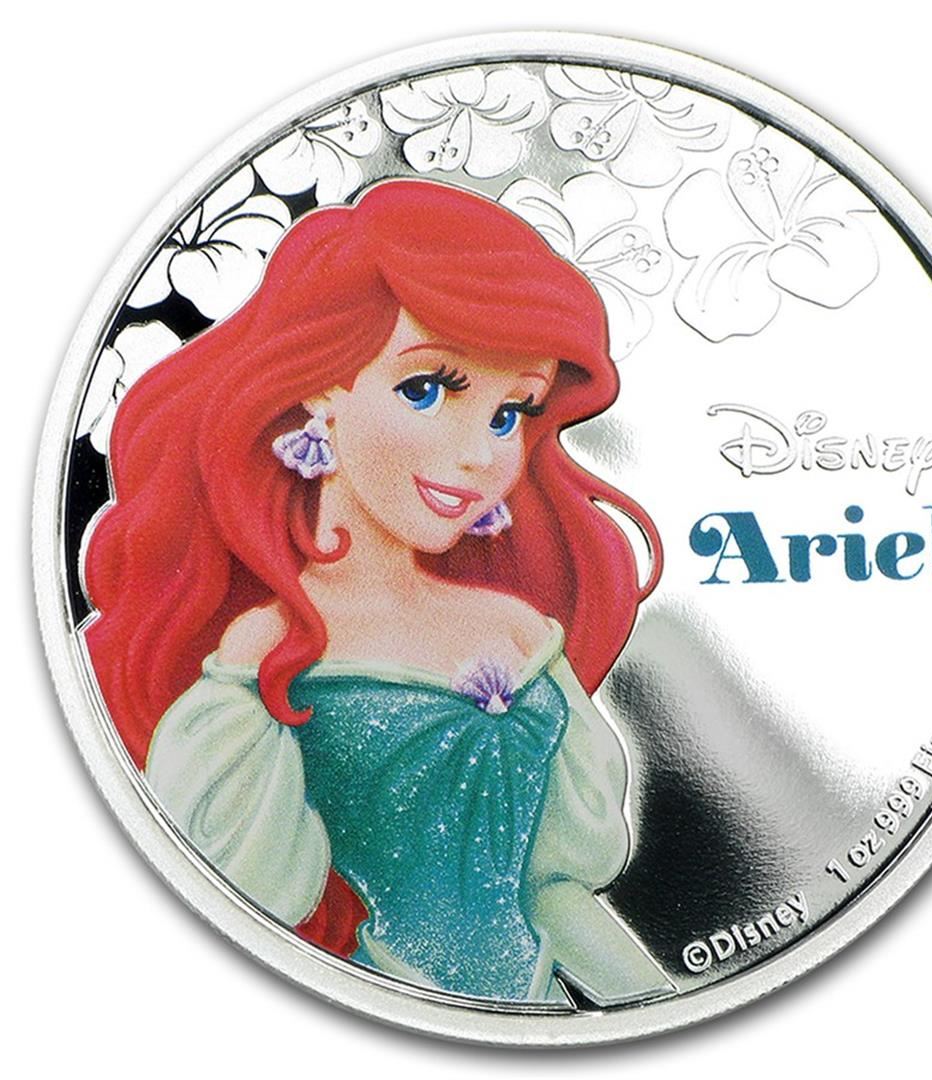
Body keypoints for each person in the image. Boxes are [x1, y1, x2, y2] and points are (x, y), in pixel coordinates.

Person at [84, 178, 672, 1004]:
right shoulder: (266, 649)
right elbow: (240, 909)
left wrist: (659, 1010)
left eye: (511, 413)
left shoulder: (516, 633)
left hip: (538, 1022)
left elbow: (554, 893)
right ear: (321, 385)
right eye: (427, 388)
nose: (481, 454)